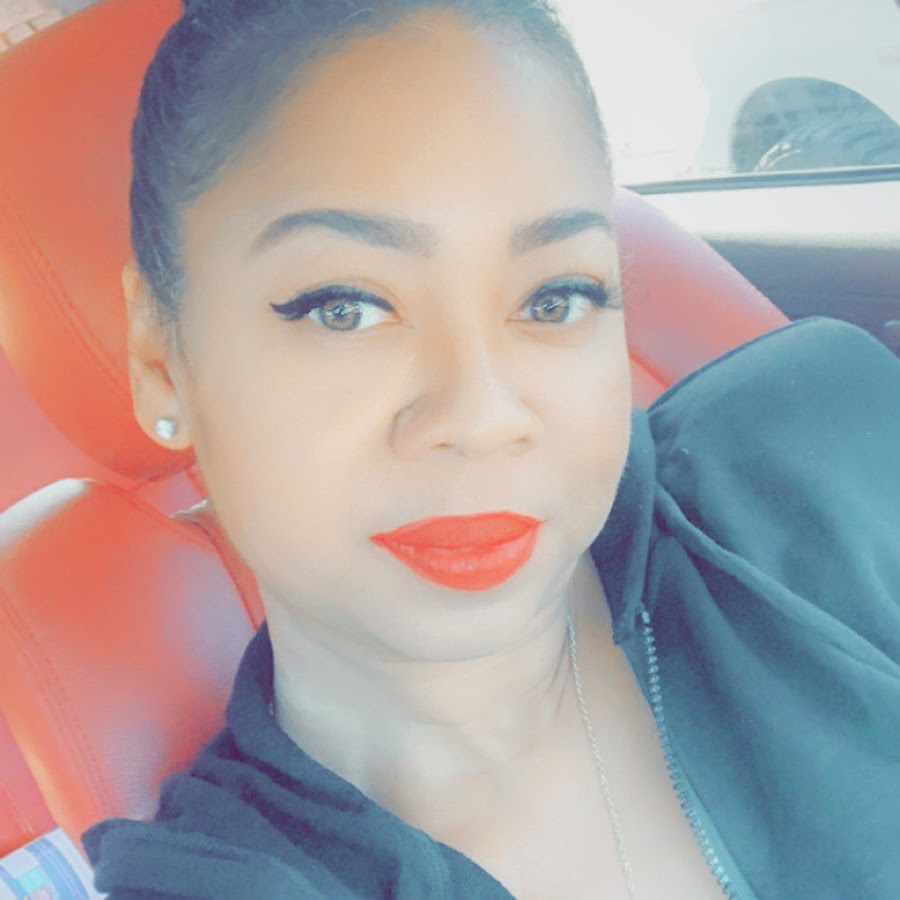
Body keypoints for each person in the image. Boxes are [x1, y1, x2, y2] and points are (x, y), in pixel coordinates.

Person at [81, 0, 900, 897]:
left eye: (555, 298)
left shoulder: (828, 448)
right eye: (344, 308)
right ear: (161, 363)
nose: (481, 417)